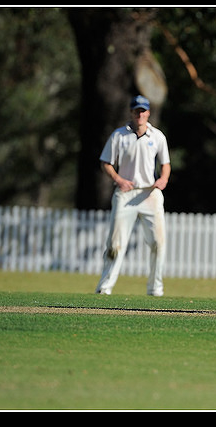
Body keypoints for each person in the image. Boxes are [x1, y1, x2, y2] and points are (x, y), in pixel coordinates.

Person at [95, 95, 171, 296]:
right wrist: (119, 180)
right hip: (125, 193)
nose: (140, 114)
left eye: (143, 110)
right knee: (115, 243)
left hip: (150, 194)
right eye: (137, 110)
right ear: (131, 112)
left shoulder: (157, 136)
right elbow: (106, 163)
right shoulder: (119, 136)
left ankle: (155, 288)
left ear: (148, 113)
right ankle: (105, 287)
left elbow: (165, 164)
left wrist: (163, 179)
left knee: (158, 242)